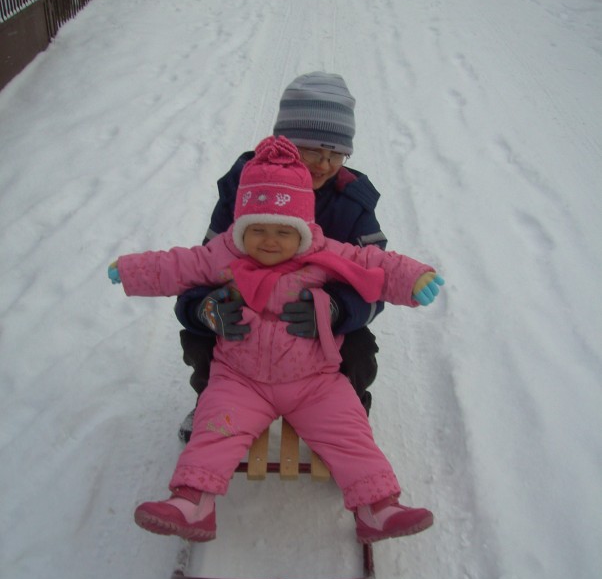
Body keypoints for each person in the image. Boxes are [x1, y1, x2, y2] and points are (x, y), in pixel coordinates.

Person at [108, 137, 445, 544]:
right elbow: (175, 265)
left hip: (315, 382)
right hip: (240, 380)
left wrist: (415, 277)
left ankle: (378, 508)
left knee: (349, 432)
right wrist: (130, 270)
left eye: (283, 231)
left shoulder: (323, 253)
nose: (270, 241)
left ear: (303, 231)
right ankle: (192, 504)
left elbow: (375, 263)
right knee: (215, 428)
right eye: (258, 230)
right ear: (241, 229)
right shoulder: (223, 253)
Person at [176, 72, 386, 443]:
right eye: (311, 149)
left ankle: (349, 410)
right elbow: (202, 266)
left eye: (336, 152)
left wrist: (338, 310)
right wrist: (203, 309)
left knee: (359, 349)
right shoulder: (245, 189)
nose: (324, 163)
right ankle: (211, 401)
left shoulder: (352, 203)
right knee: (200, 338)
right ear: (283, 144)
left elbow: (376, 282)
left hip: (315, 318)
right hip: (248, 313)